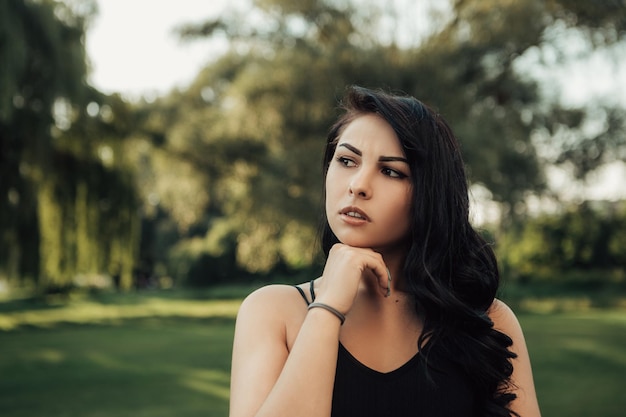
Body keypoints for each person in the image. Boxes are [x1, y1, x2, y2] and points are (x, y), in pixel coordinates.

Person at [229, 86, 542, 417]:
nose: (358, 185)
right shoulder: (272, 312)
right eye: (347, 160)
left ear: (430, 195)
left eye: (391, 171)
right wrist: (328, 307)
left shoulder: (486, 322)